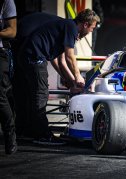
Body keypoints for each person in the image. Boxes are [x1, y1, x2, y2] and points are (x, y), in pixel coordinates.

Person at [15, 9, 100, 145]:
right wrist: (78, 76)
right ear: (85, 24)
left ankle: (27, 131)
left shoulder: (66, 27)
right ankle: (42, 135)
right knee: (41, 94)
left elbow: (59, 61)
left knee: (33, 94)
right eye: (92, 28)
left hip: (29, 56)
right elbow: (69, 56)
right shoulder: (71, 27)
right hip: (34, 57)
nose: (91, 31)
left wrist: (70, 81)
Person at [0, 0, 17, 154]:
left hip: (0, 53)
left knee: (0, 96)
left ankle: (10, 136)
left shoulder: (7, 2)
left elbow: (12, 31)